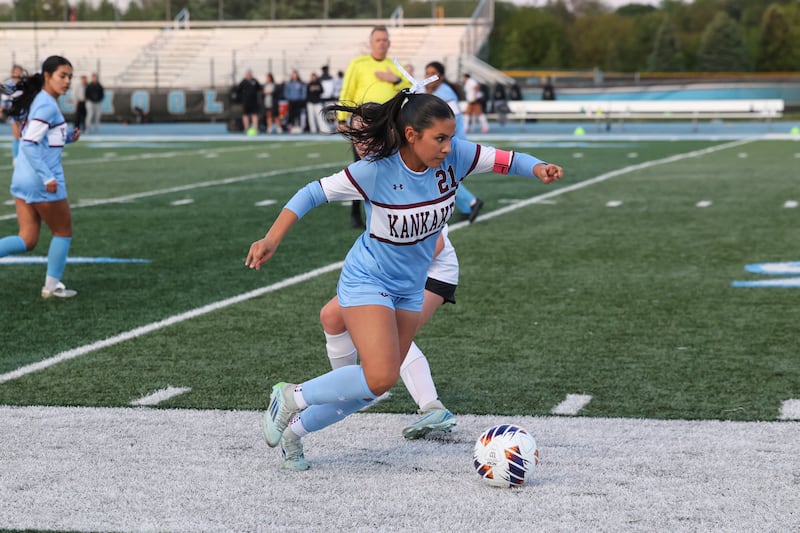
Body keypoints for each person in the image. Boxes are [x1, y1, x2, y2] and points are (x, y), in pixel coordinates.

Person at [245, 90, 564, 471]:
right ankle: (291, 395)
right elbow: (311, 193)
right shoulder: (377, 171)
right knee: (380, 375)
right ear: (411, 134)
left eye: (451, 137)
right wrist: (271, 238)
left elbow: (507, 160)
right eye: (440, 139)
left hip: (411, 288)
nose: (448, 147)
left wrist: (538, 167)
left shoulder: (457, 157)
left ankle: (295, 434)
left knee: (371, 388)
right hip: (368, 278)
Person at [319, 105, 457, 440]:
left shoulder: (405, 164)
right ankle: (358, 392)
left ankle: (432, 407)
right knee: (331, 318)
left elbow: (434, 243)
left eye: (364, 132)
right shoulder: (371, 169)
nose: (359, 140)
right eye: (355, 133)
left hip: (431, 270)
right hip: (389, 273)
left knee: (391, 336)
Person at [0, 55, 81, 298]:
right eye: (62, 76)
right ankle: (52, 286)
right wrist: (47, 177)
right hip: (40, 180)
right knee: (63, 231)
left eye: (70, 77)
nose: (67, 81)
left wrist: (67, 137)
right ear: (47, 76)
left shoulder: (39, 100)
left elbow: (41, 136)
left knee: (27, 239)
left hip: (22, 178)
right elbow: (29, 143)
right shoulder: (46, 104)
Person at [336, 25, 410, 230]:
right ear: (371, 43)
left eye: (385, 40)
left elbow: (409, 87)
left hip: (389, 123)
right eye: (378, 40)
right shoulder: (359, 64)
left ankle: (389, 212)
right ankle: (355, 213)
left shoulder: (394, 65)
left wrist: (394, 79)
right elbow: (348, 89)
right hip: (364, 123)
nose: (382, 43)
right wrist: (342, 119)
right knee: (362, 167)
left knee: (392, 166)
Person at [424, 61, 484, 223]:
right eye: (427, 73)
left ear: (441, 77)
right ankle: (467, 207)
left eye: (432, 74)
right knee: (444, 177)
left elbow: (453, 121)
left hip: (452, 142)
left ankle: (472, 202)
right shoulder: (434, 92)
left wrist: (446, 143)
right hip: (444, 142)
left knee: (441, 177)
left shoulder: (446, 94)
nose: (428, 77)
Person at [2, 64, 26, 165]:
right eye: (16, 72)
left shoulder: (24, 85)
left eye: (19, 72)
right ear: (12, 73)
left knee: (24, 134)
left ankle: (23, 155)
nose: (17, 74)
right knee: (16, 134)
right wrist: (3, 109)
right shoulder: (8, 85)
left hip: (24, 113)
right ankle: (15, 158)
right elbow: (4, 99)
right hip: (13, 113)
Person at [236, 69, 261, 135]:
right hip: (246, 102)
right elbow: (238, 90)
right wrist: (242, 98)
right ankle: (246, 128)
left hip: (254, 101)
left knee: (254, 114)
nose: (249, 75)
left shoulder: (254, 81)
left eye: (250, 74)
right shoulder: (243, 82)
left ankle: (256, 128)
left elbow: (260, 88)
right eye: (247, 74)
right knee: (245, 114)